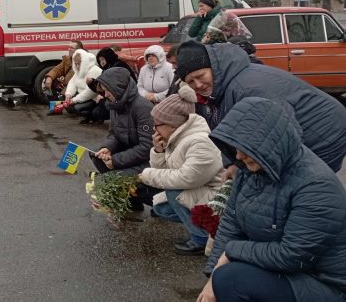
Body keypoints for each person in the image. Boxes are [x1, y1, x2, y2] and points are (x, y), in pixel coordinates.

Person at [198, 97, 346, 302]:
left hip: (326, 283)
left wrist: (231, 252)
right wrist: (211, 278)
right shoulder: (252, 169)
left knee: (231, 279)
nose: (238, 156)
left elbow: (291, 255)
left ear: (267, 144)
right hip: (293, 273)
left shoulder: (316, 186)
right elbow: (231, 225)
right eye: (235, 146)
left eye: (244, 148)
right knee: (222, 278)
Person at [176, 40, 346, 172]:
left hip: (323, 134)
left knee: (304, 189)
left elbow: (284, 134)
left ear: (213, 67)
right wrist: (236, 164)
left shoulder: (245, 88)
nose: (197, 85)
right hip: (314, 130)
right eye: (190, 81)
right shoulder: (224, 88)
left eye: (200, 75)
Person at [139, 83, 223, 255]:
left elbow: (186, 178)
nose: (154, 130)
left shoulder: (199, 141)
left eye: (158, 125)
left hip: (216, 196)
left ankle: (201, 239)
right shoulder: (178, 136)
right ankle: (204, 229)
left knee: (173, 191)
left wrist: (147, 175)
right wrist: (158, 151)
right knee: (162, 209)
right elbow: (166, 169)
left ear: (172, 124)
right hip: (201, 192)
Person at [90, 67, 158, 209]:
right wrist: (107, 148)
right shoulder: (115, 104)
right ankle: (131, 201)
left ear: (119, 88)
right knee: (97, 156)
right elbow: (114, 134)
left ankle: (155, 202)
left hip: (150, 161)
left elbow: (147, 148)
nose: (105, 94)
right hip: (132, 152)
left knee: (117, 176)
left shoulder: (143, 108)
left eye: (107, 90)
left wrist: (116, 160)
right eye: (103, 90)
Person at [90, 47, 138, 123]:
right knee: (95, 111)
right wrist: (91, 83)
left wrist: (102, 96)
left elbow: (115, 88)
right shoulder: (107, 68)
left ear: (108, 57)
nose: (101, 62)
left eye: (103, 59)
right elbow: (104, 86)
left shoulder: (118, 66)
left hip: (124, 96)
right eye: (99, 60)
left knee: (97, 112)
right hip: (113, 96)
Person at [62, 49, 103, 121]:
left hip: (94, 98)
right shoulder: (80, 70)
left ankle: (93, 114)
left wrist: (74, 100)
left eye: (79, 64)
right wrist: (68, 94)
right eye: (76, 64)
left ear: (84, 62)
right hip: (82, 96)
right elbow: (72, 82)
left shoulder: (94, 70)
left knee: (76, 108)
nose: (77, 66)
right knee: (67, 103)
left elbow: (90, 92)